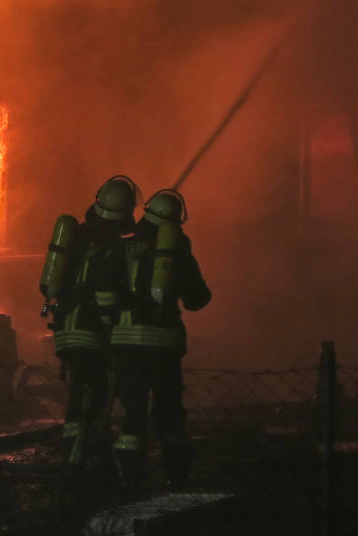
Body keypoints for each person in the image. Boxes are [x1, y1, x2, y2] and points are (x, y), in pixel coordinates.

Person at [109, 188, 210, 494]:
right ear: (178, 220)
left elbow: (107, 291)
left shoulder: (123, 247)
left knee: (132, 414)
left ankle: (130, 481)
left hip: (127, 342)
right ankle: (177, 479)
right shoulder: (178, 251)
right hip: (164, 345)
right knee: (169, 413)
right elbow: (197, 299)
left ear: (147, 213)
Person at [40, 175, 137, 479]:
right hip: (91, 329)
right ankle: (76, 460)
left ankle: (88, 454)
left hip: (67, 324)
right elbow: (106, 294)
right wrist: (110, 330)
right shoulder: (112, 247)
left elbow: (51, 282)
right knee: (88, 395)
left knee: (87, 392)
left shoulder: (78, 236)